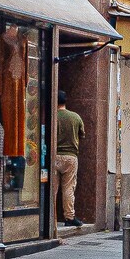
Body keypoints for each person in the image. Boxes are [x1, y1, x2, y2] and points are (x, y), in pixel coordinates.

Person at [54, 89, 83, 225]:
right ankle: (69, 217)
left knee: (52, 189)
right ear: (66, 101)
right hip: (70, 156)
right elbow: (82, 135)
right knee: (68, 188)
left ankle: (51, 218)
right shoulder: (75, 117)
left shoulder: (52, 116)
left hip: (53, 156)